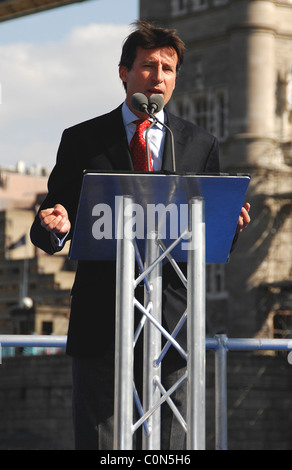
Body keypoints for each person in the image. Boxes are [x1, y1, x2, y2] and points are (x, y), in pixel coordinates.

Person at [30, 21, 250, 450]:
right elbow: (53, 220)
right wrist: (52, 226)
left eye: (168, 69)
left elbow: (206, 239)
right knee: (101, 442)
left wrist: (229, 226)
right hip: (101, 314)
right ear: (123, 73)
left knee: (172, 442)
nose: (160, 77)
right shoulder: (81, 140)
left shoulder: (198, 142)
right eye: (149, 66)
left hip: (173, 317)